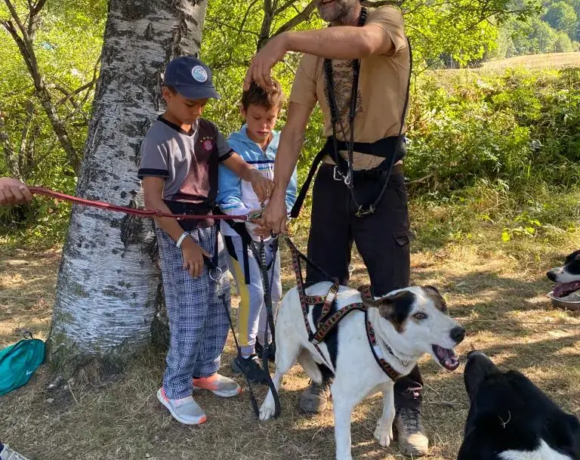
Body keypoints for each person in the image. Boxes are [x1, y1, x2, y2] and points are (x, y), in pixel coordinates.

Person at [245, 0, 427, 456]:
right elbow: (294, 129)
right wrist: (275, 200)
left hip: (382, 181)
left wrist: (284, 39)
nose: (325, 3)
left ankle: (407, 402)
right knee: (323, 288)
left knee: (393, 292)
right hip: (332, 179)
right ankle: (328, 374)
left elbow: (363, 42)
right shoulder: (315, 54)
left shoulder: (387, 21)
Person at [138, 56, 273, 425]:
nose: (197, 111)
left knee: (217, 303)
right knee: (190, 311)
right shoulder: (158, 138)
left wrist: (254, 177)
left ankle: (204, 371)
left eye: (202, 103)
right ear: (167, 94)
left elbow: (235, 163)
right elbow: (153, 200)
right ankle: (175, 387)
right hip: (178, 230)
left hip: (210, 228)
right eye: (189, 103)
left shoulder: (208, 130)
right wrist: (183, 241)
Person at [217, 80, 297, 383]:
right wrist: (253, 217)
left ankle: (266, 342)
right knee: (253, 291)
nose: (264, 126)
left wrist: (277, 215)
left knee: (274, 291)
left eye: (271, 118)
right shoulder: (233, 147)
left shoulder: (282, 145)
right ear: (243, 112)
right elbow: (226, 195)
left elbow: (289, 192)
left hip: (271, 232)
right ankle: (245, 354)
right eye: (256, 118)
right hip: (240, 233)